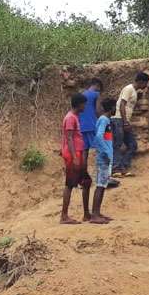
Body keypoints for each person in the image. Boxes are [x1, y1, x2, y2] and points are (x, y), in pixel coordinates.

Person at [60, 93, 92, 224]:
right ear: (79, 104)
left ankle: (86, 214)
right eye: (84, 104)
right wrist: (74, 157)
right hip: (73, 155)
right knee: (70, 184)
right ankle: (64, 216)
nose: (85, 106)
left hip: (77, 154)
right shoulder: (70, 118)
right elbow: (69, 138)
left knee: (86, 182)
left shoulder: (75, 117)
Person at [112, 72, 149, 175]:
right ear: (141, 81)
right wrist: (125, 122)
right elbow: (122, 105)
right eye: (146, 83)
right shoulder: (128, 89)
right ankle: (115, 169)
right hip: (119, 119)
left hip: (124, 121)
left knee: (132, 145)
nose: (146, 86)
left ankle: (123, 166)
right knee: (117, 144)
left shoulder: (134, 91)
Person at [91, 98, 117, 224]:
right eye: (115, 107)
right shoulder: (104, 120)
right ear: (112, 107)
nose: (115, 109)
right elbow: (98, 137)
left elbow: (104, 138)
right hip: (104, 158)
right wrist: (106, 153)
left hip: (106, 158)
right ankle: (94, 215)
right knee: (100, 186)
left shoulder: (106, 120)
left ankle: (97, 213)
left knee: (103, 185)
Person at [79, 78, 103, 169]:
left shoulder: (82, 94)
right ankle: (99, 173)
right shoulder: (96, 94)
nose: (99, 89)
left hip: (82, 126)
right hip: (92, 125)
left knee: (85, 151)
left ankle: (84, 173)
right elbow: (97, 110)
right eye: (99, 87)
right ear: (97, 85)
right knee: (99, 149)